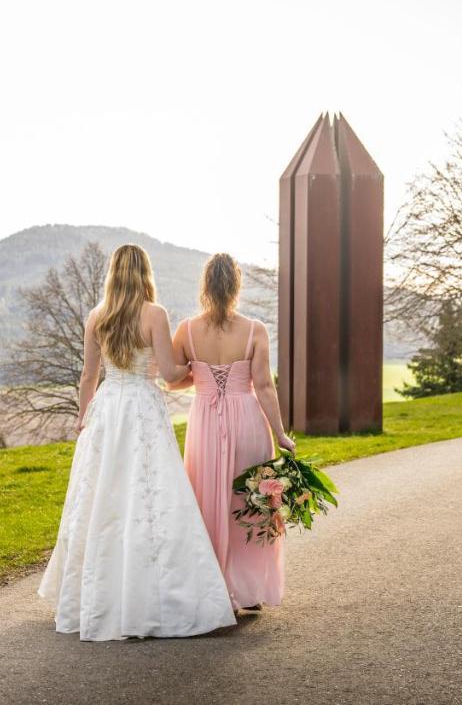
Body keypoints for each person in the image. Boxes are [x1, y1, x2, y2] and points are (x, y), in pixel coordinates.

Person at [38, 244, 236, 641]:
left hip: (108, 410)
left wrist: (83, 416)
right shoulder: (154, 314)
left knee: (103, 497)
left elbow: (87, 377)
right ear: (145, 272)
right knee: (150, 495)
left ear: (112, 273)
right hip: (142, 407)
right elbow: (168, 371)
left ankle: (97, 596)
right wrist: (194, 366)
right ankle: (155, 596)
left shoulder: (97, 316)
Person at [174, 253, 295, 610]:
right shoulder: (255, 330)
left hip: (205, 421)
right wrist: (281, 433)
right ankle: (249, 590)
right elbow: (265, 387)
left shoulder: (186, 330)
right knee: (250, 501)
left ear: (205, 286)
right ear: (236, 286)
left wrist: (201, 377)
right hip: (247, 418)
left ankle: (213, 587)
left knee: (207, 499)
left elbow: (171, 379)